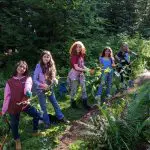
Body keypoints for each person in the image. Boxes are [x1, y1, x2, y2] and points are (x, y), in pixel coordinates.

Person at [1, 61, 42, 150]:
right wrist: (4, 110)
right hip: (13, 106)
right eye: (20, 66)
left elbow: (27, 87)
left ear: (25, 69)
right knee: (14, 124)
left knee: (37, 114)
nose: (22, 68)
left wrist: (28, 93)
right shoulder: (9, 81)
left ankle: (35, 130)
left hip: (24, 104)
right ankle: (17, 140)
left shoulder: (27, 78)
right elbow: (7, 97)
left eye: (24, 67)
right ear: (17, 67)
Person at [33, 50, 68, 128]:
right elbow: (35, 79)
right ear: (42, 57)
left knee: (55, 102)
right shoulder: (38, 66)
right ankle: (46, 122)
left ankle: (61, 117)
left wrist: (55, 79)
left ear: (50, 57)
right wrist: (42, 85)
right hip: (40, 90)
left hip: (49, 88)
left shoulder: (51, 65)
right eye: (44, 56)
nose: (46, 58)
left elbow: (53, 76)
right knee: (43, 106)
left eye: (48, 56)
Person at [67, 41, 91, 110]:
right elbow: (76, 67)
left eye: (80, 47)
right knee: (74, 90)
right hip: (74, 74)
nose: (79, 48)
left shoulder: (81, 55)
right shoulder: (74, 56)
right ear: (74, 48)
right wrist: (85, 70)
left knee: (84, 89)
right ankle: (73, 103)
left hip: (81, 74)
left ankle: (85, 104)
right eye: (77, 47)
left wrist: (88, 69)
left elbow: (82, 65)